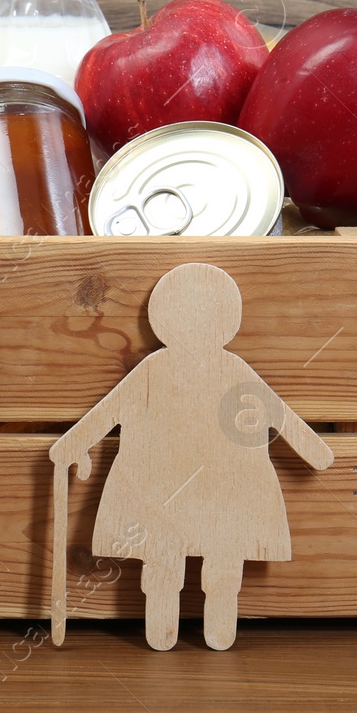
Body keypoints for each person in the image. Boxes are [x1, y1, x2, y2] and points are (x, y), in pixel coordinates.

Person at [50, 262, 335, 650]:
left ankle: (215, 624)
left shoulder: (228, 369)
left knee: (217, 557)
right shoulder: (160, 369)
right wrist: (72, 444)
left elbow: (278, 414)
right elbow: (108, 411)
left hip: (217, 488)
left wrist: (315, 451)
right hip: (174, 486)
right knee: (166, 556)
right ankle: (165, 629)